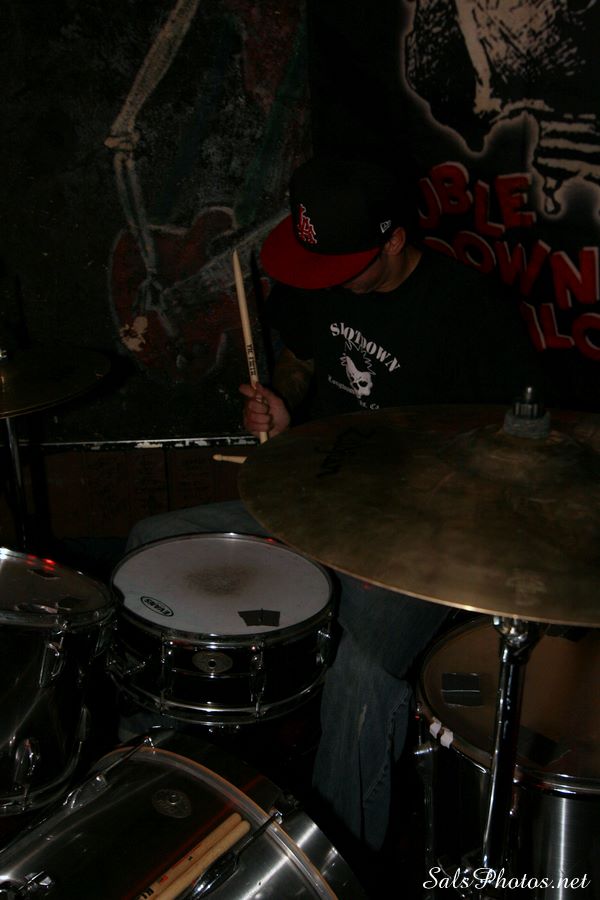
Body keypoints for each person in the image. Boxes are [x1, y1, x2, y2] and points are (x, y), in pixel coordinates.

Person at [125, 157, 542, 861]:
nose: (323, 281)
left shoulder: (471, 313)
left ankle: (332, 862)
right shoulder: (321, 276)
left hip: (424, 536)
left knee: (360, 672)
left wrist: (415, 523)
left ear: (394, 240)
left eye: (343, 267)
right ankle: (156, 777)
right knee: (151, 542)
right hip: (317, 499)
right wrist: (281, 400)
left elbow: (516, 460)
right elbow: (302, 357)